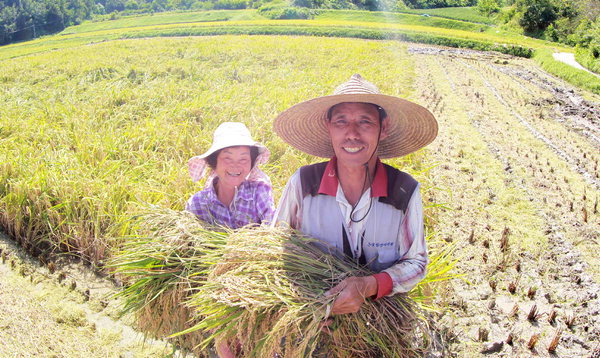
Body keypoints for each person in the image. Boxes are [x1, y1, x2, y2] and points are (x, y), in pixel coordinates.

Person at [272, 74, 438, 316]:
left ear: (384, 128)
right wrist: (309, 306)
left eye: (365, 122)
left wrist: (368, 286)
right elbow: (276, 246)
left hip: (379, 315)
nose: (352, 134)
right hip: (313, 313)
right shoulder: (303, 183)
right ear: (328, 127)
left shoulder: (404, 191)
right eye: (341, 122)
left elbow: (416, 263)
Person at [186, 121, 275, 229]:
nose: (235, 165)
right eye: (227, 158)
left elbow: (271, 230)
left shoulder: (259, 192)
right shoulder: (198, 203)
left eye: (243, 159)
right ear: (214, 162)